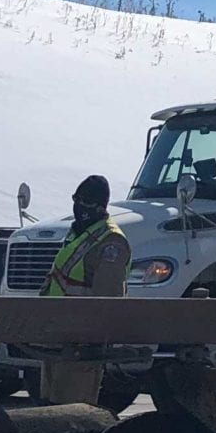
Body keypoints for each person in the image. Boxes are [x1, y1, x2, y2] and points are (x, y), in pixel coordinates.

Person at [39, 174, 130, 405]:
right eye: (77, 200)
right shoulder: (77, 234)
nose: (81, 207)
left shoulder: (111, 242)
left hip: (83, 342)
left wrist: (94, 336)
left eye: (87, 203)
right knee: (50, 406)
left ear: (101, 206)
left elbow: (108, 299)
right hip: (57, 337)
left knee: (73, 409)